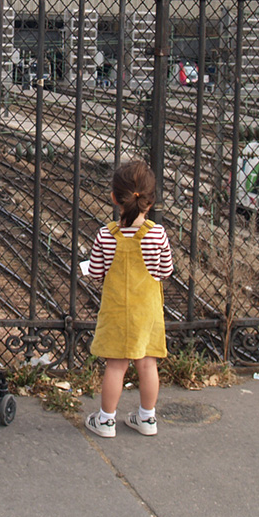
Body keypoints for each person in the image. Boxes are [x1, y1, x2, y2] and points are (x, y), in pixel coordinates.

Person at [83, 160, 173, 438]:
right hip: (147, 312)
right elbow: (165, 271)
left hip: (117, 311)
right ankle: (147, 419)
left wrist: (89, 267)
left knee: (115, 366)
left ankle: (106, 420)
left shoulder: (106, 235)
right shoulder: (156, 234)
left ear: (114, 198)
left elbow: (96, 272)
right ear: (151, 200)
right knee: (148, 364)